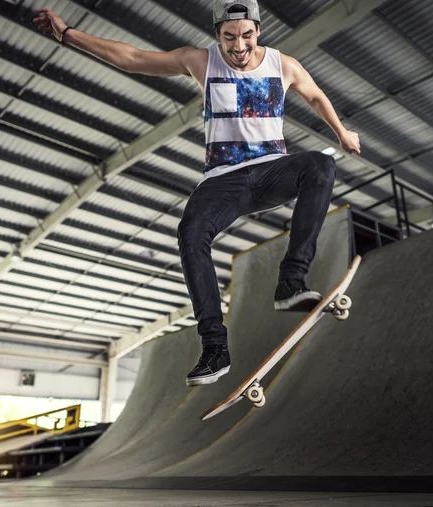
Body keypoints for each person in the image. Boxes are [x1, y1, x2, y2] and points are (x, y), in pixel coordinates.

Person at [33, 0, 361, 387]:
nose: (238, 48)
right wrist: (69, 35)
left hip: (273, 169)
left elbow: (316, 95)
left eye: (246, 37)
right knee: (190, 234)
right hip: (224, 179)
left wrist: (341, 131)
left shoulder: (283, 64)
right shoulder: (200, 61)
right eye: (229, 38)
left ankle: (291, 281)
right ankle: (214, 346)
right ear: (217, 34)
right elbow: (133, 58)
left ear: (258, 30)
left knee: (321, 166)